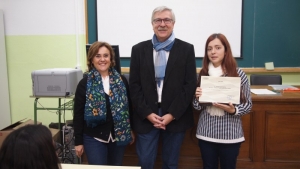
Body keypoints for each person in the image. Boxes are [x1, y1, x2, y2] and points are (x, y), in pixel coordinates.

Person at [129, 6, 197, 169]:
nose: (162, 24)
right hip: (146, 116)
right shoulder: (138, 50)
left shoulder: (186, 49)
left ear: (173, 23)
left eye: (167, 20)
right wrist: (147, 113)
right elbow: (134, 85)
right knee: (145, 162)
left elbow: (190, 85)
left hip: (175, 116)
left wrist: (172, 114)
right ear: (152, 24)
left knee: (170, 163)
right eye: (158, 20)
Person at [193, 33, 252, 169]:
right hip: (206, 133)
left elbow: (248, 105)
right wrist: (197, 98)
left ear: (226, 51)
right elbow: (196, 107)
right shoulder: (202, 74)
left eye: (218, 47)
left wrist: (233, 110)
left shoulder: (238, 74)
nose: (213, 52)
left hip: (230, 134)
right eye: (209, 49)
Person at [73, 41, 134, 165]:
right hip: (93, 137)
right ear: (92, 59)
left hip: (118, 136)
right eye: (98, 56)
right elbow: (78, 114)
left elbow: (129, 109)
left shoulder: (121, 81)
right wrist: (78, 141)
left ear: (111, 58)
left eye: (106, 56)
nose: (102, 59)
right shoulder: (84, 84)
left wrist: (131, 129)